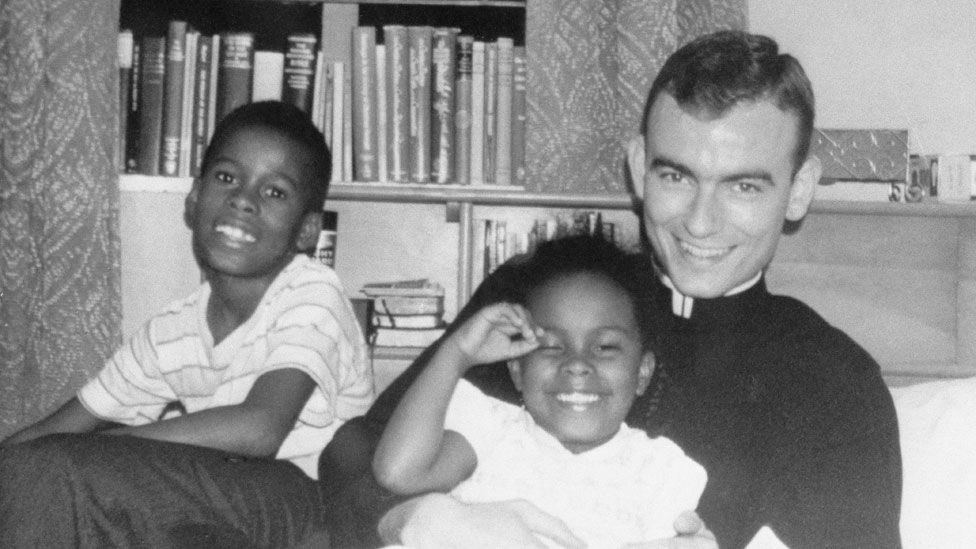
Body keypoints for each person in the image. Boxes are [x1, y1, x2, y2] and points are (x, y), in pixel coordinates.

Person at [319, 30, 901, 549]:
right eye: (675, 176)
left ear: (798, 190)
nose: (700, 222)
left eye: (743, 187)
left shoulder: (831, 380)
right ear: (638, 165)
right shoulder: (543, 298)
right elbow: (354, 455)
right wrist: (413, 520)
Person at [0, 100, 374, 547]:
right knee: (41, 476)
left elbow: (260, 429)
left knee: (62, 472)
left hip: (311, 496)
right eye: (227, 178)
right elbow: (54, 431)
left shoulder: (314, 291)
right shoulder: (171, 331)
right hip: (223, 498)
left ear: (307, 231)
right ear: (194, 200)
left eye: (274, 192)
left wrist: (98, 450)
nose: (243, 200)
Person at [372, 235, 707, 548]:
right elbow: (398, 472)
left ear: (643, 372)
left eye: (605, 347)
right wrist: (457, 353)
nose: (577, 364)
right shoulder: (493, 428)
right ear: (517, 369)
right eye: (551, 346)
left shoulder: (663, 468)